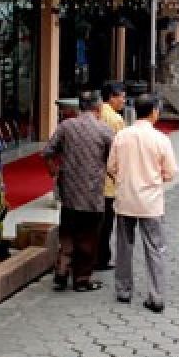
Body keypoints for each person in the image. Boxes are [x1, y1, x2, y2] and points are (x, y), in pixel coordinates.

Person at [108, 94, 179, 313]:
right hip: (151, 202)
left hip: (126, 198)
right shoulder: (161, 139)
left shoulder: (122, 136)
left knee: (123, 245)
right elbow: (170, 173)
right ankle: (156, 295)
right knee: (155, 248)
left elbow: (111, 167)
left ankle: (123, 290)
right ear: (154, 112)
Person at [43, 90, 114, 292]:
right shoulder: (104, 130)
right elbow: (114, 160)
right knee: (88, 237)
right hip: (92, 194)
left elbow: (47, 152)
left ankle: (62, 272)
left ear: (79, 108)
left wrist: (53, 170)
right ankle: (82, 279)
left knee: (67, 232)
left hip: (69, 192)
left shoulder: (66, 127)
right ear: (98, 108)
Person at [95, 81, 128, 272]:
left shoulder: (97, 113)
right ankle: (102, 257)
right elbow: (120, 151)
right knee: (106, 221)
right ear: (112, 97)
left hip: (92, 176)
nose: (123, 100)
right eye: (121, 96)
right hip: (108, 179)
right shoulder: (115, 120)